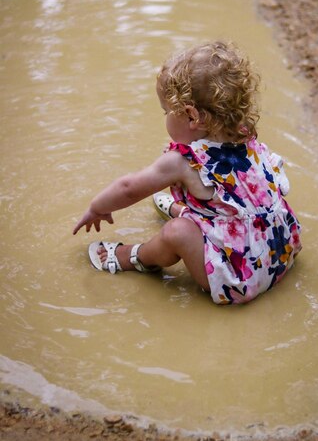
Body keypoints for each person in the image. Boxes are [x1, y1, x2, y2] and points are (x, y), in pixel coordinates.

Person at [73, 41, 302, 305]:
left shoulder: (182, 161)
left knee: (176, 233)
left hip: (240, 281)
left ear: (192, 117)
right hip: (281, 253)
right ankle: (188, 212)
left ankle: (135, 257)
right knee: (224, 204)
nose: (165, 118)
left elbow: (128, 188)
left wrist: (98, 207)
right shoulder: (245, 136)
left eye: (166, 112)